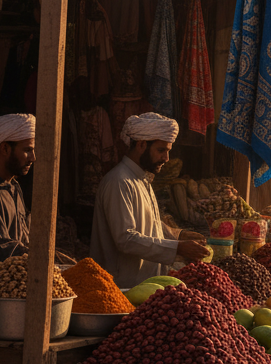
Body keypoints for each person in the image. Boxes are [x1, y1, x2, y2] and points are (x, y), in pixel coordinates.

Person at [90, 113, 210, 288]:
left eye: (168, 151)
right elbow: (126, 239)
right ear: (141, 145)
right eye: (161, 151)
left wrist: (179, 235)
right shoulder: (119, 181)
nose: (166, 159)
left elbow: (150, 225)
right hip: (121, 287)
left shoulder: (140, 179)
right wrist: (178, 248)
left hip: (143, 285)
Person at [0, 113, 35, 268]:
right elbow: (3, 247)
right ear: (5, 148)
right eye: (27, 150)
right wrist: (41, 256)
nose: (33, 157)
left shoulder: (14, 187)